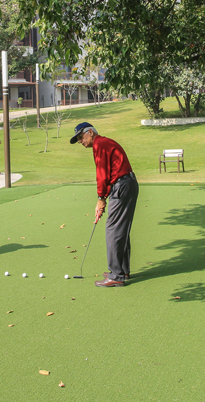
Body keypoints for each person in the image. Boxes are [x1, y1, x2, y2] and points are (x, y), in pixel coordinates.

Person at [70, 122, 139, 287]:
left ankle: (116, 275)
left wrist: (101, 198)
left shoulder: (99, 144)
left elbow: (102, 174)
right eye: (78, 139)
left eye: (81, 137)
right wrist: (104, 197)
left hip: (122, 186)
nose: (80, 141)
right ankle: (122, 270)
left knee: (113, 229)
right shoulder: (103, 143)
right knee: (120, 229)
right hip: (126, 184)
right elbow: (108, 173)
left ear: (90, 132)